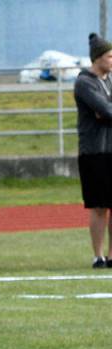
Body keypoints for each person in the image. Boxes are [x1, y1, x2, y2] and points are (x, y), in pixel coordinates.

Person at [73, 33, 112, 268]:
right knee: (99, 206)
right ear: (97, 58)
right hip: (94, 152)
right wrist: (105, 111)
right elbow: (104, 111)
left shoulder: (109, 80)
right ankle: (98, 255)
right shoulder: (84, 82)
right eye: (109, 56)